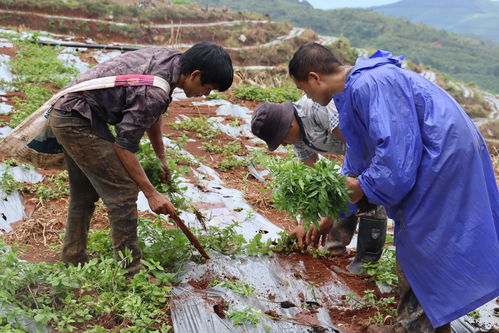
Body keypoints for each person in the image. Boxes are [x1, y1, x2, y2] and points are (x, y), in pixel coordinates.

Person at [288, 42, 499, 332]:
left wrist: (361, 186)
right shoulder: (352, 91)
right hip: (439, 154)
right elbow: (360, 157)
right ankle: (423, 325)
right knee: (422, 239)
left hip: (443, 156)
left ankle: (415, 327)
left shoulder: (370, 83)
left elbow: (395, 160)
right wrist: (331, 212)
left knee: (422, 241)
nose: (306, 96)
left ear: (314, 77)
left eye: (303, 88)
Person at [48, 42, 233, 275]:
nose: (205, 95)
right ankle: (130, 272)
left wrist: (161, 158)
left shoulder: (172, 60)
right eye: (208, 89)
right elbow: (124, 148)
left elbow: (153, 115)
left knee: (84, 191)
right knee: (124, 190)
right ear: (195, 74)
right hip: (76, 120)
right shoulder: (154, 92)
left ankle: (73, 257)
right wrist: (151, 192)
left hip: (72, 112)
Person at [251, 96, 388, 274]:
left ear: (289, 126)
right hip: (354, 154)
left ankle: (366, 263)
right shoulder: (298, 139)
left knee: (366, 191)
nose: (284, 144)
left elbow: (358, 147)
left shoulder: (319, 109)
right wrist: (307, 221)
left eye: (282, 139)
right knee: (340, 188)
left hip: (374, 147)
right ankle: (335, 248)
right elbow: (313, 176)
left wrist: (330, 213)